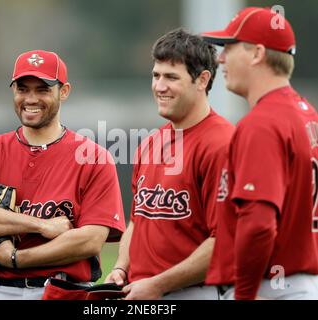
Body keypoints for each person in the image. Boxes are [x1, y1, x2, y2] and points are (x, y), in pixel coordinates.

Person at [0, 50, 126, 300]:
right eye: (22, 89)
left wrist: (15, 258)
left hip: (63, 291)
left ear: (63, 92)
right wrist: (41, 225)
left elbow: (90, 240)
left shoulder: (93, 157)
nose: (30, 98)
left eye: (42, 89)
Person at [105, 29, 235, 300]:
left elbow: (225, 241)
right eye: (156, 75)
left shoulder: (222, 144)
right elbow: (137, 221)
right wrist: (120, 267)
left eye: (171, 77)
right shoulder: (150, 143)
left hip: (196, 292)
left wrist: (158, 285)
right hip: (142, 292)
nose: (159, 86)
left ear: (202, 80)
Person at [202, 7, 318, 300]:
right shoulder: (307, 114)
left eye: (229, 47)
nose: (220, 58)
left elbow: (259, 223)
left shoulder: (263, 123)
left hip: (270, 288)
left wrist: (244, 294)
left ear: (257, 54)